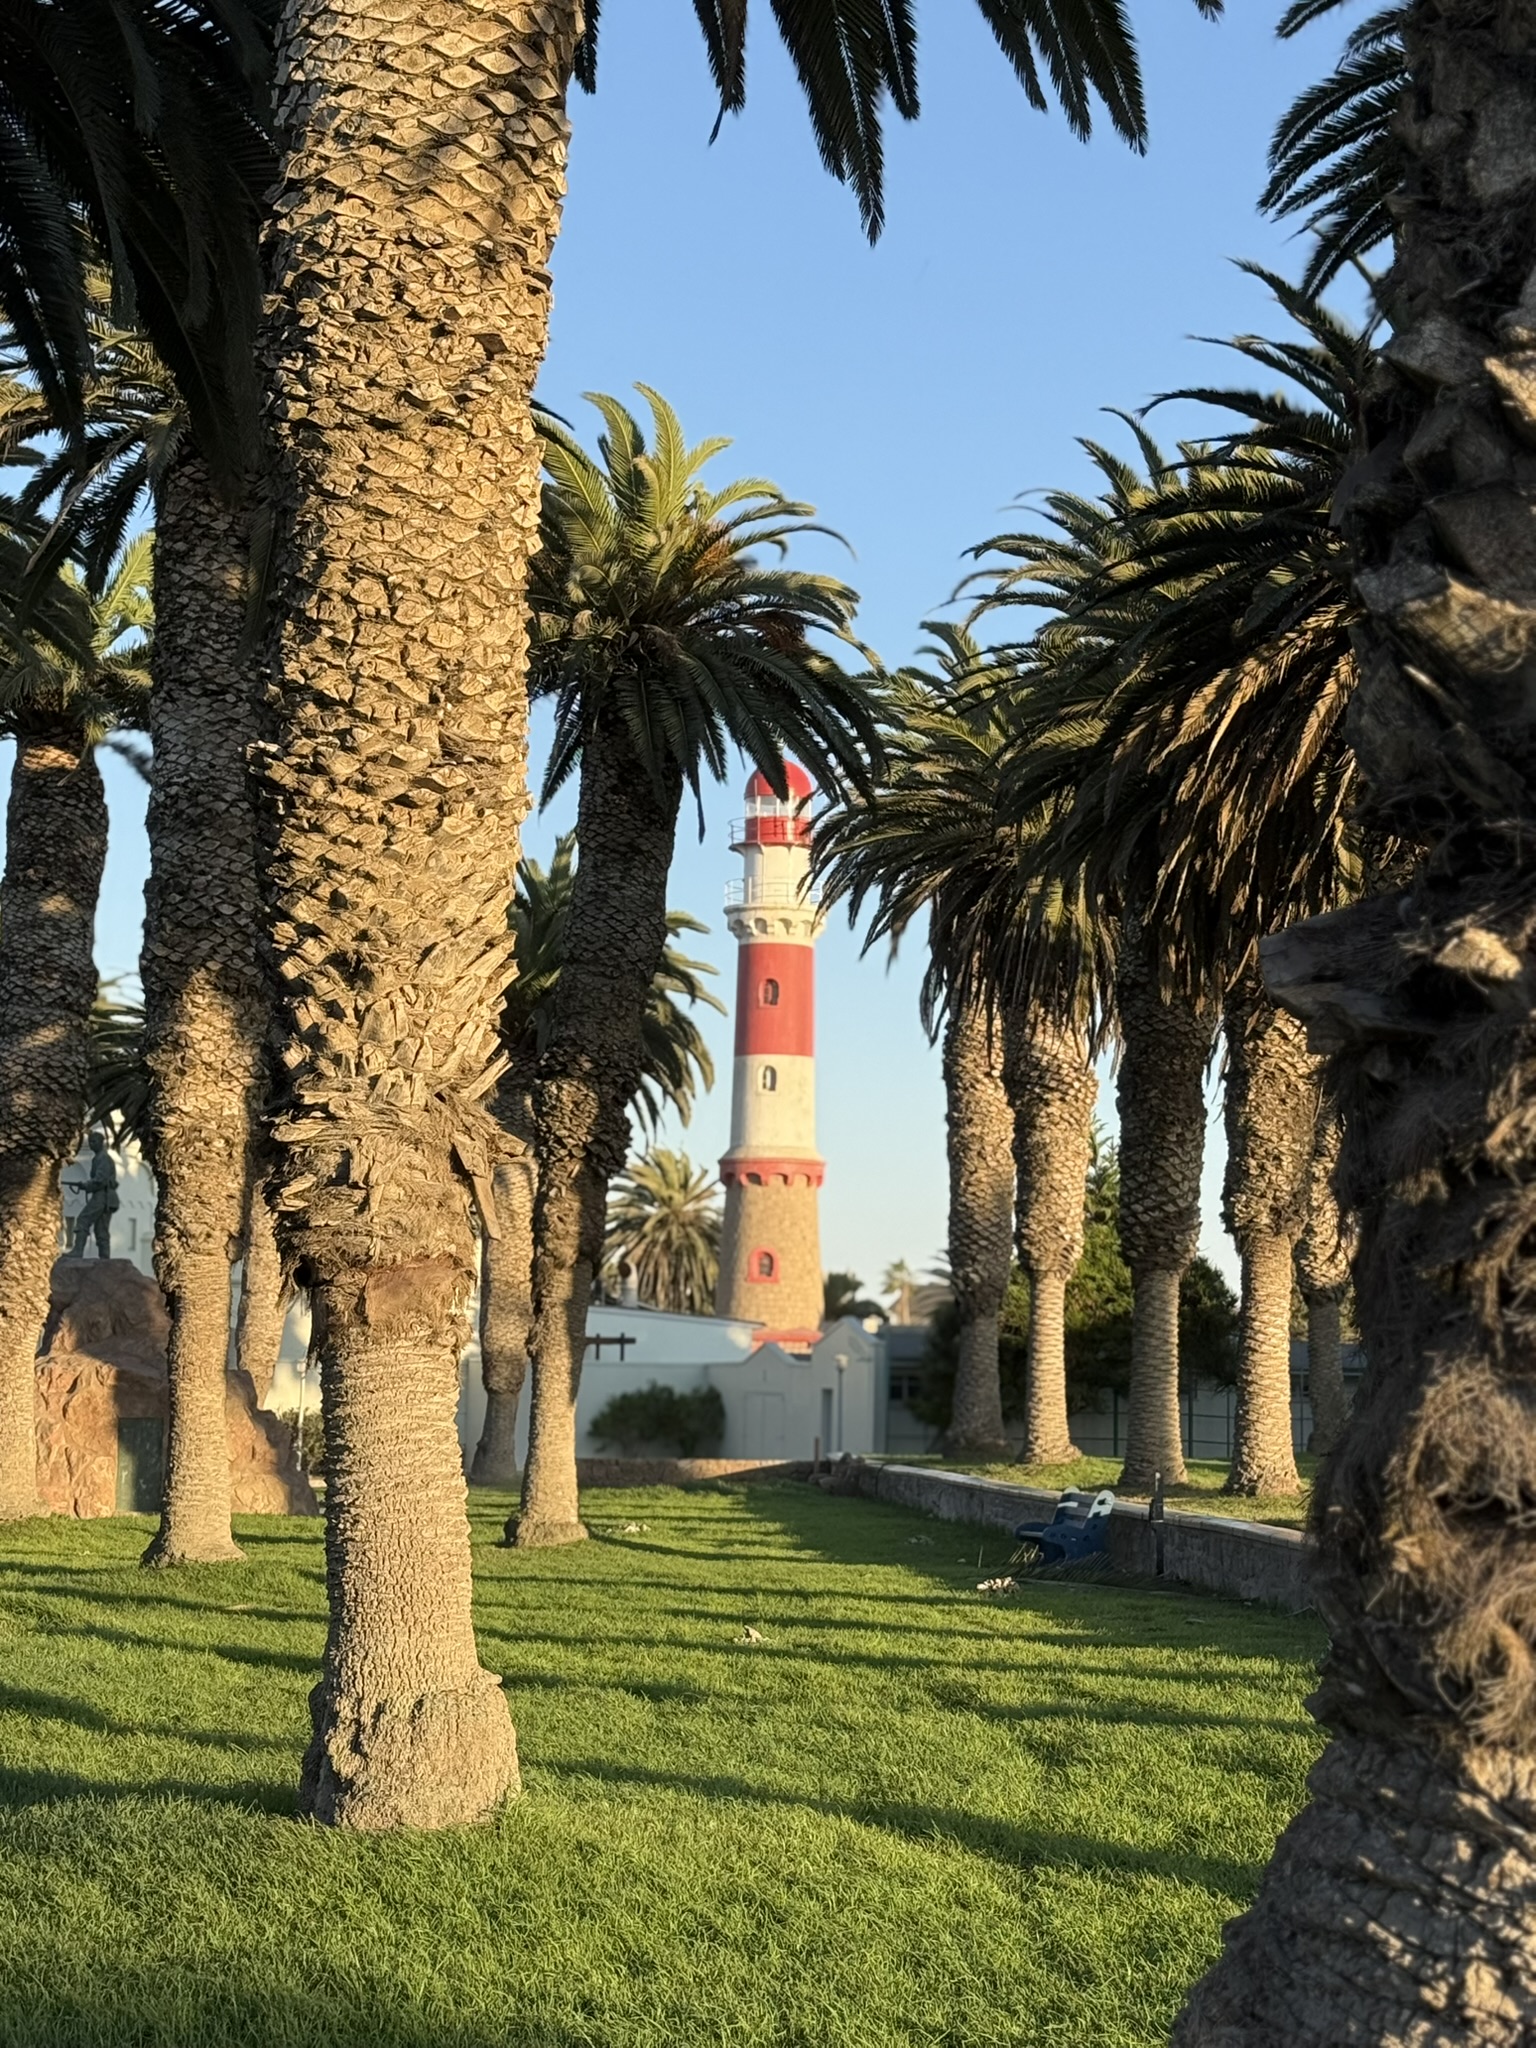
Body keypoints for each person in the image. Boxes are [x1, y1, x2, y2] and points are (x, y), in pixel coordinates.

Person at [65, 1131, 120, 1258]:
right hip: (104, 1197)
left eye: (94, 1142)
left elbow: (100, 1179)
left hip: (103, 1196)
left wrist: (86, 1185)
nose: (91, 1144)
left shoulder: (103, 1158)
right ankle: (104, 1258)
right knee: (101, 1229)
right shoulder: (99, 1158)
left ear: (101, 1143)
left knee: (83, 1219)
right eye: (90, 1142)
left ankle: (78, 1251)